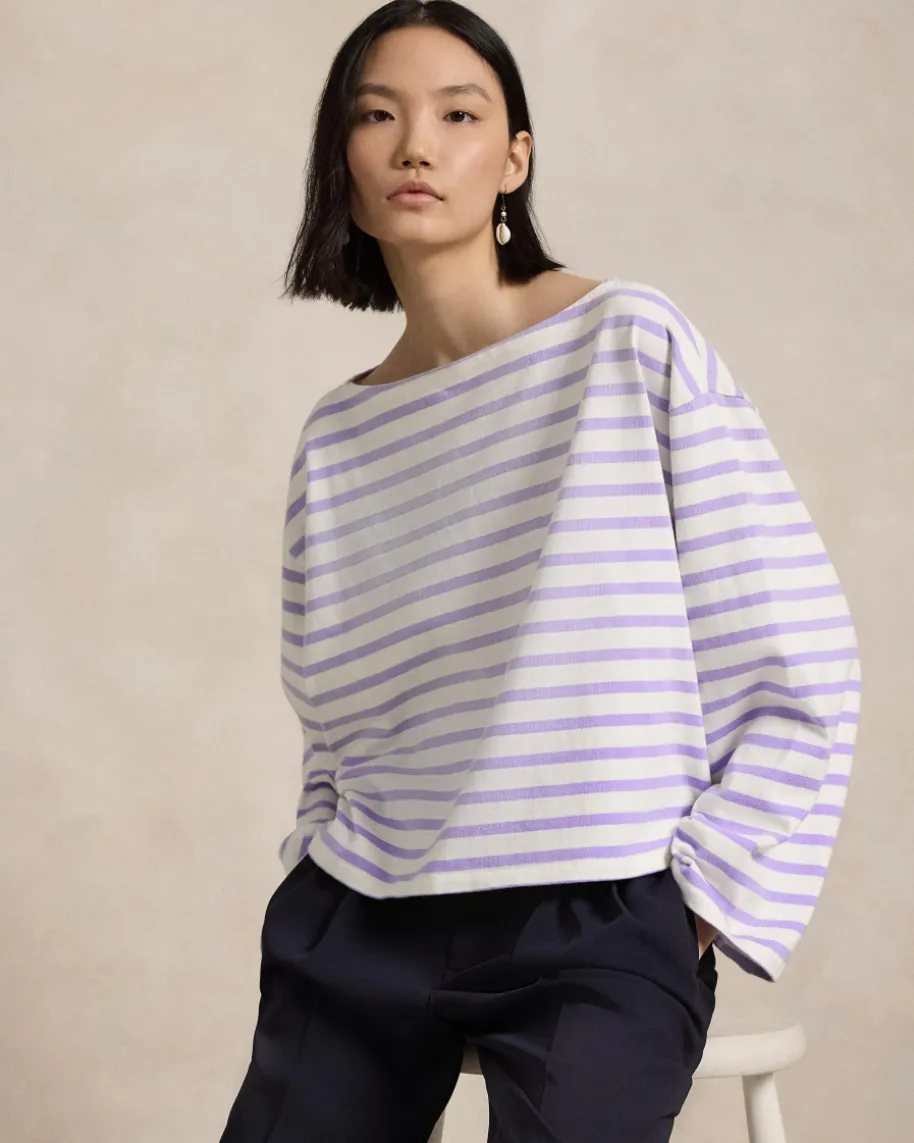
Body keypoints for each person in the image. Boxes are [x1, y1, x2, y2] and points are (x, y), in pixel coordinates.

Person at [218, 3, 862, 1141]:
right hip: (368, 913)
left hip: (597, 914)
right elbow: (334, 719)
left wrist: (694, 904)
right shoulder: (338, 436)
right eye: (377, 116)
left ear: (514, 159)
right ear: (343, 168)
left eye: (458, 114)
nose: (416, 144)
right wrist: (318, 861)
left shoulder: (629, 341)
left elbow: (798, 656)